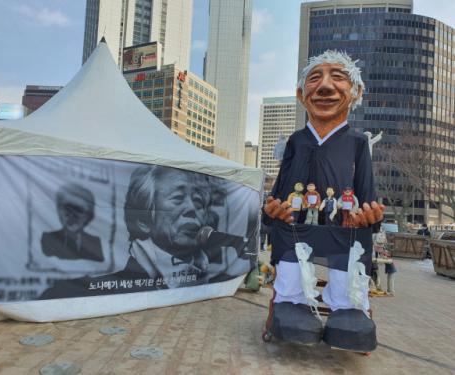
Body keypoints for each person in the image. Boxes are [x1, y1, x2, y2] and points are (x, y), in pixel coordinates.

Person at [263, 50, 384, 352]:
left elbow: (367, 193)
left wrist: (370, 216)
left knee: (352, 247)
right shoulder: (296, 141)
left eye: (338, 78)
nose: (326, 87)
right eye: (315, 78)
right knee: (289, 248)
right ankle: (291, 302)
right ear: (301, 95)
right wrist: (272, 211)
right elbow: (280, 188)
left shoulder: (357, 142)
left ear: (354, 91)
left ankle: (347, 307)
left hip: (343, 225)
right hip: (296, 225)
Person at [39, 165, 248, 299]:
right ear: (143, 220)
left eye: (199, 202)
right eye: (177, 198)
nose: (192, 209)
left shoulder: (221, 283)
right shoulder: (67, 292)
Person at [41, 184, 103, 262]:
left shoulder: (95, 243)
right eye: (68, 208)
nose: (71, 216)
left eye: (79, 210)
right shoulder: (48, 239)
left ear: (88, 216)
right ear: (59, 210)